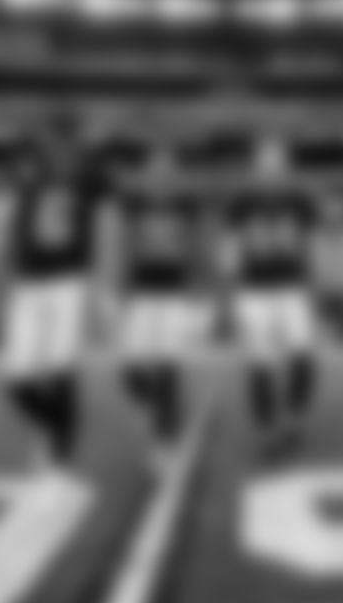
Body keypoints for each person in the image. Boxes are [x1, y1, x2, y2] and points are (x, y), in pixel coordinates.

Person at [1, 119, 119, 470]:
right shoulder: (28, 173)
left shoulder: (90, 178)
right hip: (28, 282)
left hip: (68, 280)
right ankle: (54, 427)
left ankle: (60, 451)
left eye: (67, 142)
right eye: (54, 141)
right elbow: (14, 216)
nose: (60, 150)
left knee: (60, 369)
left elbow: (107, 213)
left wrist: (105, 287)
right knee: (18, 379)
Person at [223, 137, 319, 457]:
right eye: (265, 161)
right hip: (254, 290)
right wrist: (228, 290)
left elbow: (311, 243)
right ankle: (266, 430)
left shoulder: (300, 201)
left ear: (286, 166)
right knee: (260, 364)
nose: (271, 167)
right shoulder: (241, 202)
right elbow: (231, 246)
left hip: (293, 287)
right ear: (256, 166)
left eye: (277, 160)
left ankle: (292, 418)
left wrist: (314, 285)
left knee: (304, 357)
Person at [117, 149, 205, 474]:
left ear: (175, 175)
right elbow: (127, 246)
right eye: (155, 169)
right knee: (130, 368)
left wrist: (198, 289)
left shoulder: (186, 206)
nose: (161, 176)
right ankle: (147, 407)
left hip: (174, 295)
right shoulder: (135, 204)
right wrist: (120, 288)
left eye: (167, 170)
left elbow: (195, 247)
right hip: (141, 294)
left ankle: (164, 442)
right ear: (147, 174)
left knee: (169, 369)